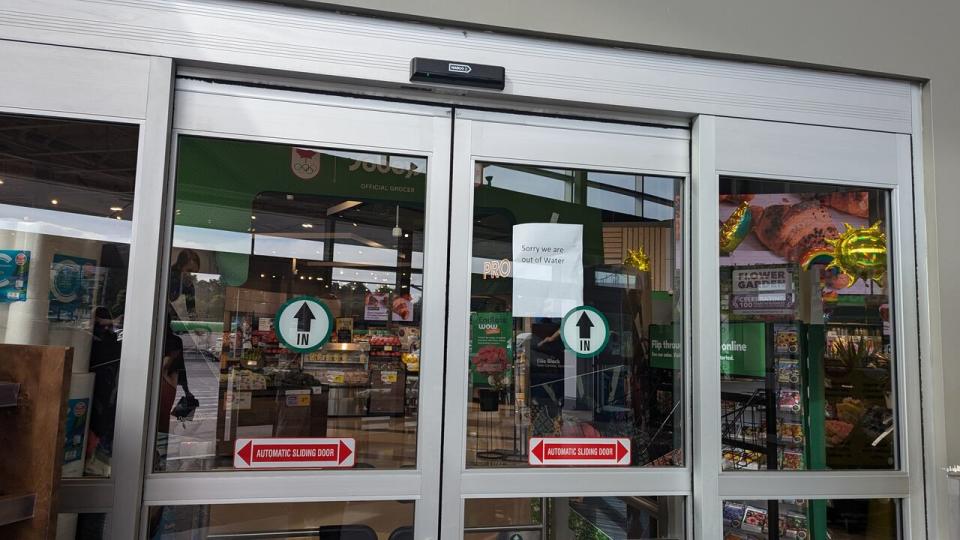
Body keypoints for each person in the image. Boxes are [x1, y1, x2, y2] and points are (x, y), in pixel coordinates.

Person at [157, 250, 200, 463]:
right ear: (181, 265)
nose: (191, 275)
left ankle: (185, 392)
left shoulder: (187, 282)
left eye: (194, 272)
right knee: (176, 347)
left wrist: (195, 324)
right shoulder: (168, 275)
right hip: (161, 323)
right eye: (190, 270)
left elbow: (192, 307)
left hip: (169, 327)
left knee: (177, 348)